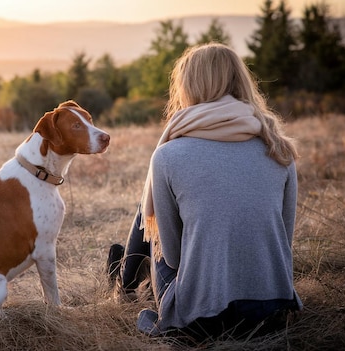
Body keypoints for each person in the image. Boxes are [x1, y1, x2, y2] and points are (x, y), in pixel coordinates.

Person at [107, 42, 302, 341]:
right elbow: (282, 242)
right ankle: (126, 280)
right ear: (240, 82)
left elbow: (171, 256)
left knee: (151, 207)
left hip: (202, 321)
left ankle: (125, 283)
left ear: (188, 87)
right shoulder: (280, 149)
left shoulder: (169, 156)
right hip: (272, 314)